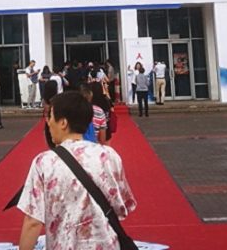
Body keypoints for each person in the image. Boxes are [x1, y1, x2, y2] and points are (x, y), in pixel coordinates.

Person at [17, 91, 137, 250]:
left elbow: (33, 222)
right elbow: (122, 206)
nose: (48, 123)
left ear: (63, 123)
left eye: (50, 116)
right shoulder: (109, 156)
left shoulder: (44, 162)